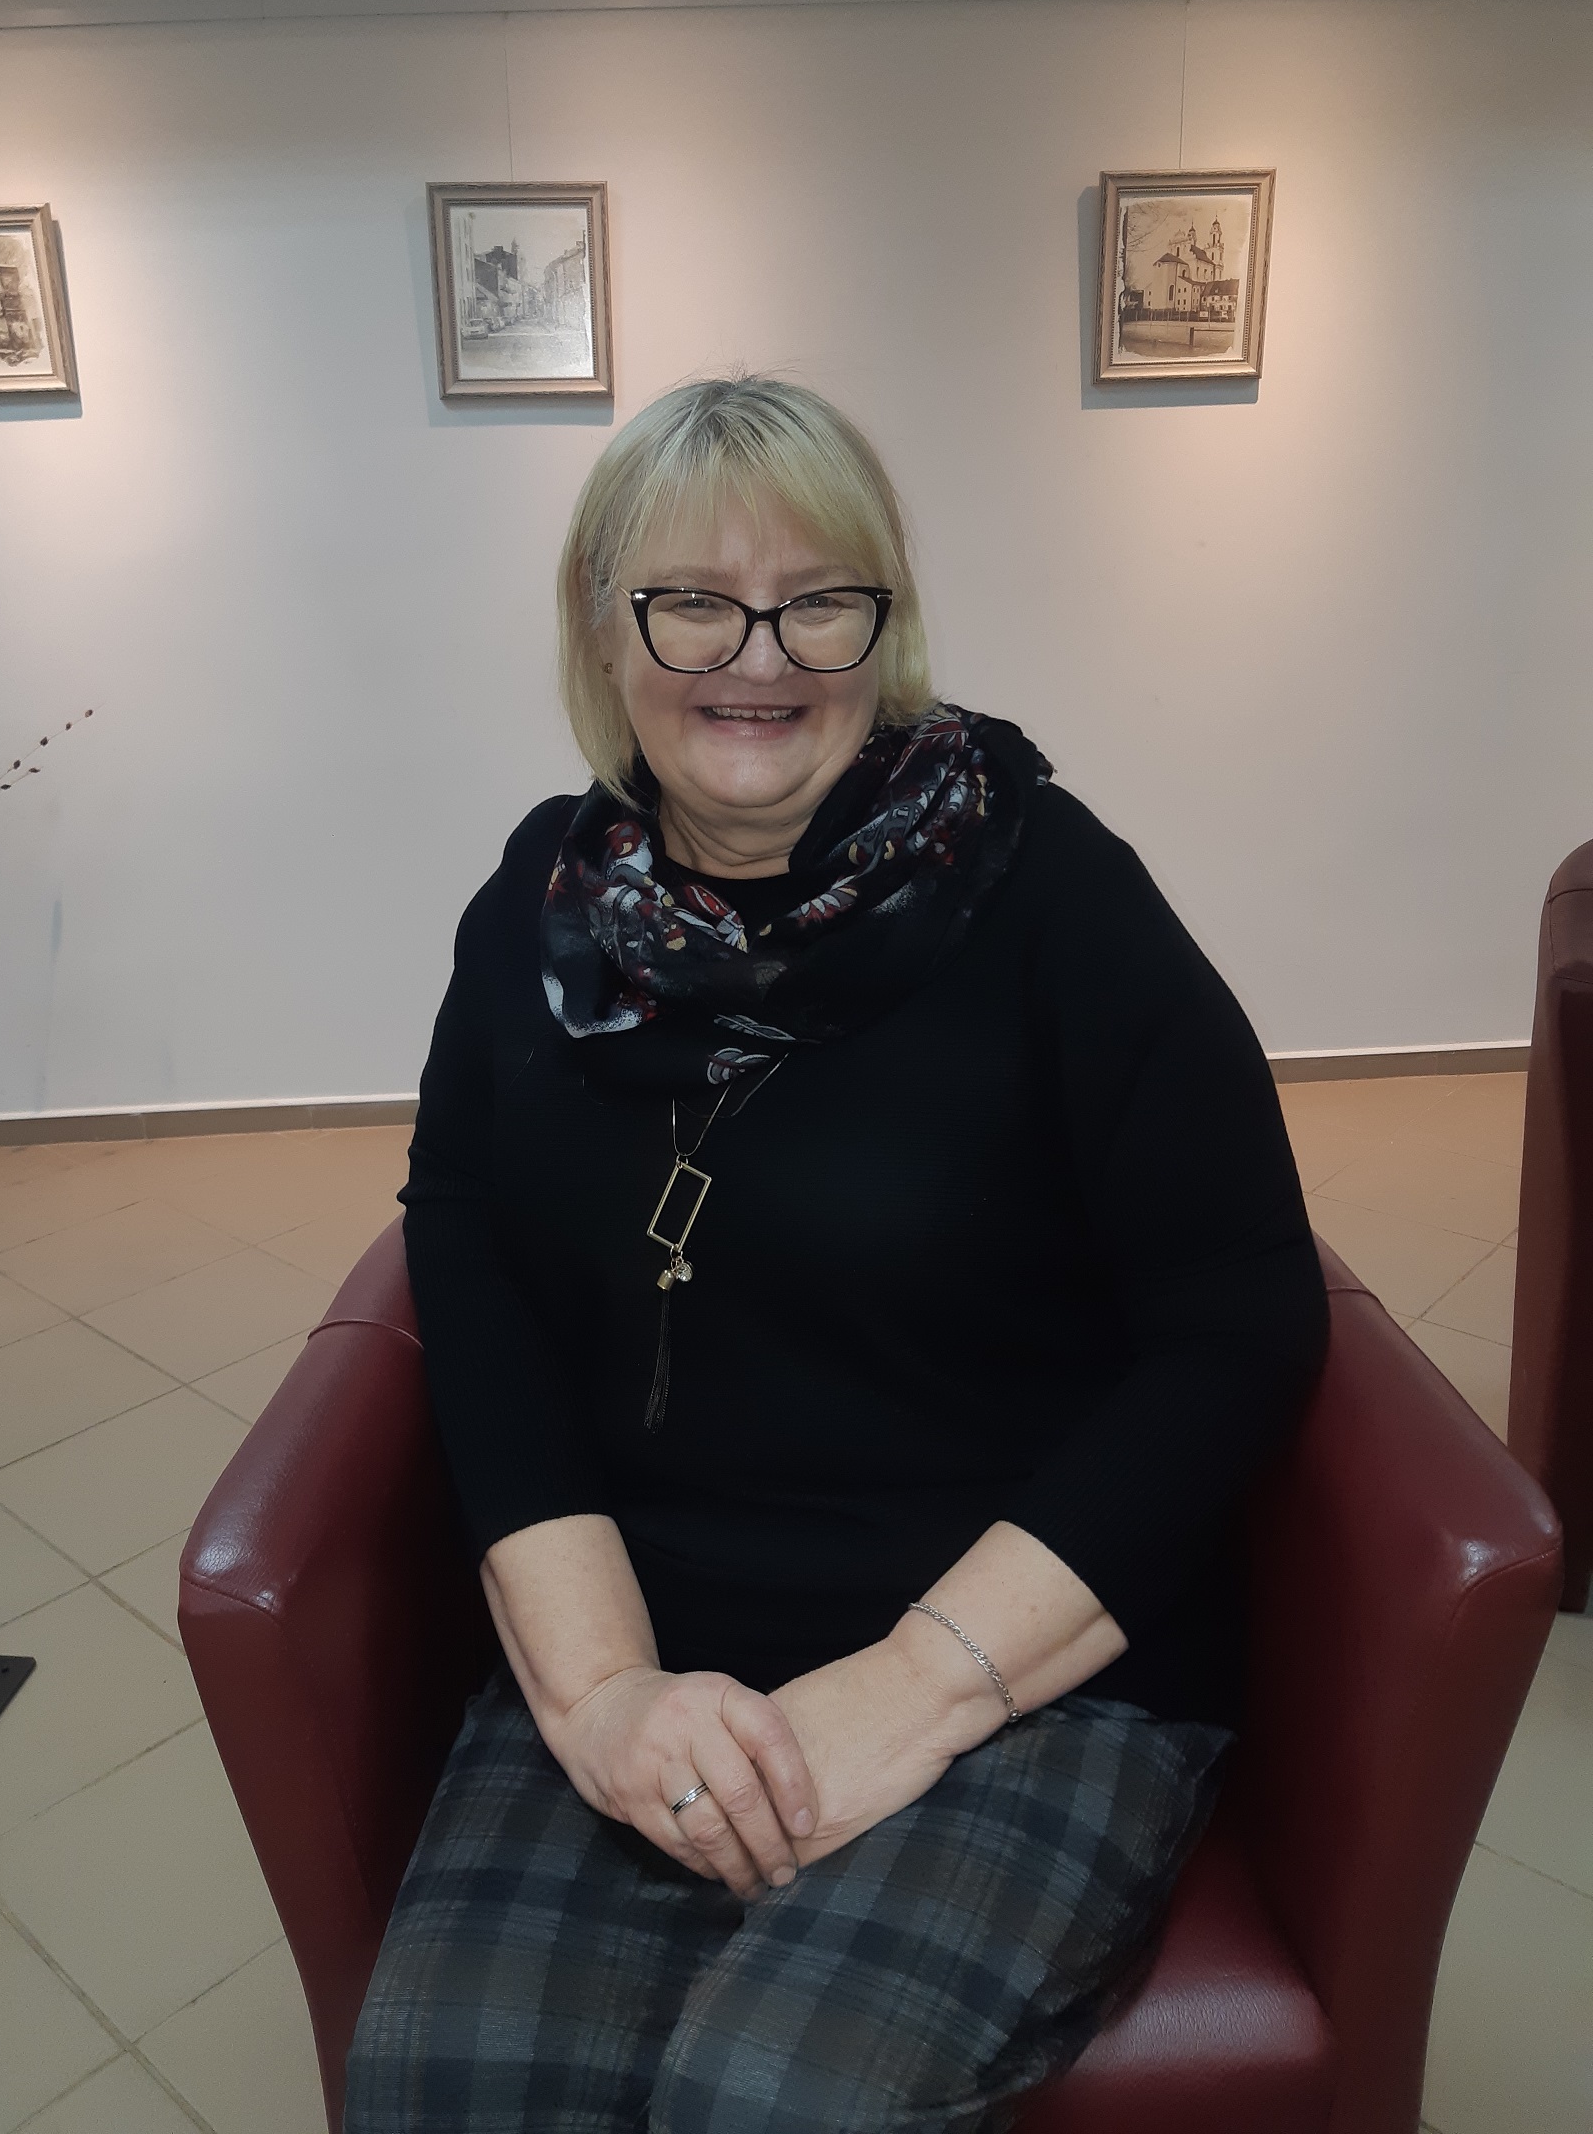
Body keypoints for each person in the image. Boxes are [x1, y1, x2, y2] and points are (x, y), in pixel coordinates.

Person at [347, 375, 1328, 2133]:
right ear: (603, 625)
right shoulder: (539, 912)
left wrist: (920, 1685)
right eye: (693, 601)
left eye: (819, 601)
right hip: (651, 1621)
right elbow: (469, 1262)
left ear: (888, 627)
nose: (760, 655)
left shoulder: (1051, 894)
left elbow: (1239, 1317)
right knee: (452, 2080)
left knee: (772, 2096)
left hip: (1021, 1646)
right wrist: (603, 1689)